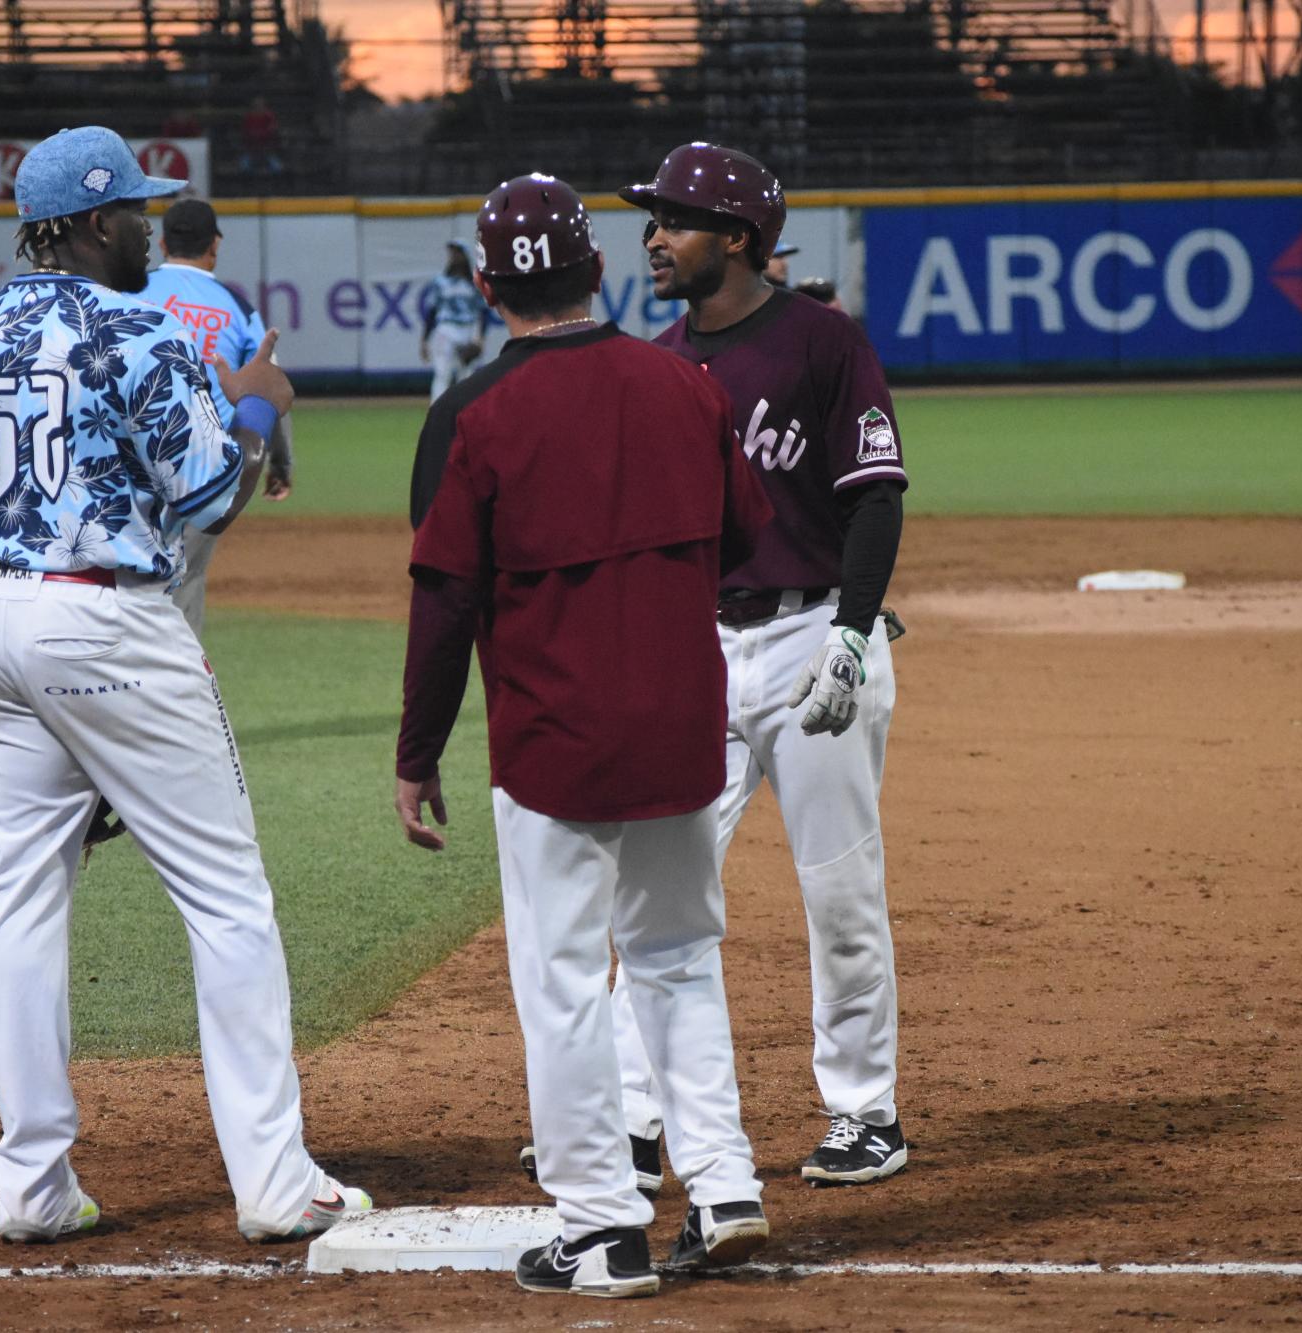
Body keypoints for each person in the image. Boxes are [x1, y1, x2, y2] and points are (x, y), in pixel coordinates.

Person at [0, 125, 366, 1247]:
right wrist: (256, 402)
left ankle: (31, 1186)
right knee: (225, 895)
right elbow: (210, 499)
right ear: (90, 221)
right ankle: (273, 1181)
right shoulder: (137, 329)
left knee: (20, 891)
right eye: (137, 216)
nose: (151, 231)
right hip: (104, 614)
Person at [397, 173, 774, 1298]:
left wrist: (416, 753)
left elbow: (443, 602)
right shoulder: (684, 384)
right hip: (678, 731)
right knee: (675, 959)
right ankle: (721, 1185)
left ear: (483, 284)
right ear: (597, 268)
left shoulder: (470, 413)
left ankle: (601, 1225)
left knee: (563, 980)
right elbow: (748, 540)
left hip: (553, 739)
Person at [612, 141, 911, 1187]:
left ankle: (864, 1112)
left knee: (837, 889)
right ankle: (636, 1120)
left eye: (673, 220)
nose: (651, 237)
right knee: (656, 890)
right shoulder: (654, 363)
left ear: (735, 238)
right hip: (697, 643)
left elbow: (873, 496)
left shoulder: (822, 344)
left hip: (812, 634)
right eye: (650, 219)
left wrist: (851, 635)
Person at [139, 197, 293, 637]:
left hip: (130, 463)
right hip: (205, 468)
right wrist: (280, 462)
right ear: (216, 245)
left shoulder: (128, 292)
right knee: (184, 583)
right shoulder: (237, 308)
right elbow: (267, 386)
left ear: (163, 243)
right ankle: (179, 696)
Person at [419, 239, 486, 402]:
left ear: (465, 256)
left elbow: (482, 313)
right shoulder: (439, 282)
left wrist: (480, 338)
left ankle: (465, 416)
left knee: (467, 376)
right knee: (442, 374)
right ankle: (436, 414)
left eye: (458, 253)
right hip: (445, 329)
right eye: (452, 253)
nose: (454, 257)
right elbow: (432, 312)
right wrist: (424, 339)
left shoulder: (475, 284)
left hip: (468, 329)